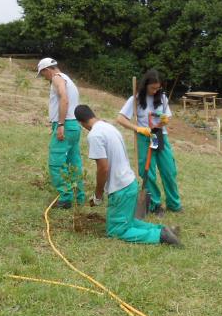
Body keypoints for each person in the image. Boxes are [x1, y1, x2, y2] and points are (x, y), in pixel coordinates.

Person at [74, 104, 181, 247]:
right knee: (129, 221)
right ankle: (164, 230)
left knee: (116, 230)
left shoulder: (95, 135)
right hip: (130, 183)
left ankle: (160, 236)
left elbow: (103, 168)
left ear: (80, 123)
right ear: (92, 114)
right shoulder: (108, 127)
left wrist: (98, 196)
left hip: (120, 189)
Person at [117, 69, 181, 215]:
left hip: (160, 136)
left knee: (169, 170)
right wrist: (138, 128)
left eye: (158, 88)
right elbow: (120, 119)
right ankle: (155, 205)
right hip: (145, 137)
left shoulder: (163, 98)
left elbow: (166, 117)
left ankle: (174, 204)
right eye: (152, 88)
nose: (155, 90)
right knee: (148, 173)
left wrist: (164, 121)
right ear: (145, 85)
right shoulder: (136, 99)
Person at [36, 57, 85, 209]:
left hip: (66, 124)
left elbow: (64, 99)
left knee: (56, 163)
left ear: (47, 70)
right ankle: (78, 196)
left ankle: (66, 199)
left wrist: (61, 124)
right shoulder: (68, 79)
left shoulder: (57, 78)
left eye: (43, 74)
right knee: (74, 162)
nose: (44, 78)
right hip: (75, 125)